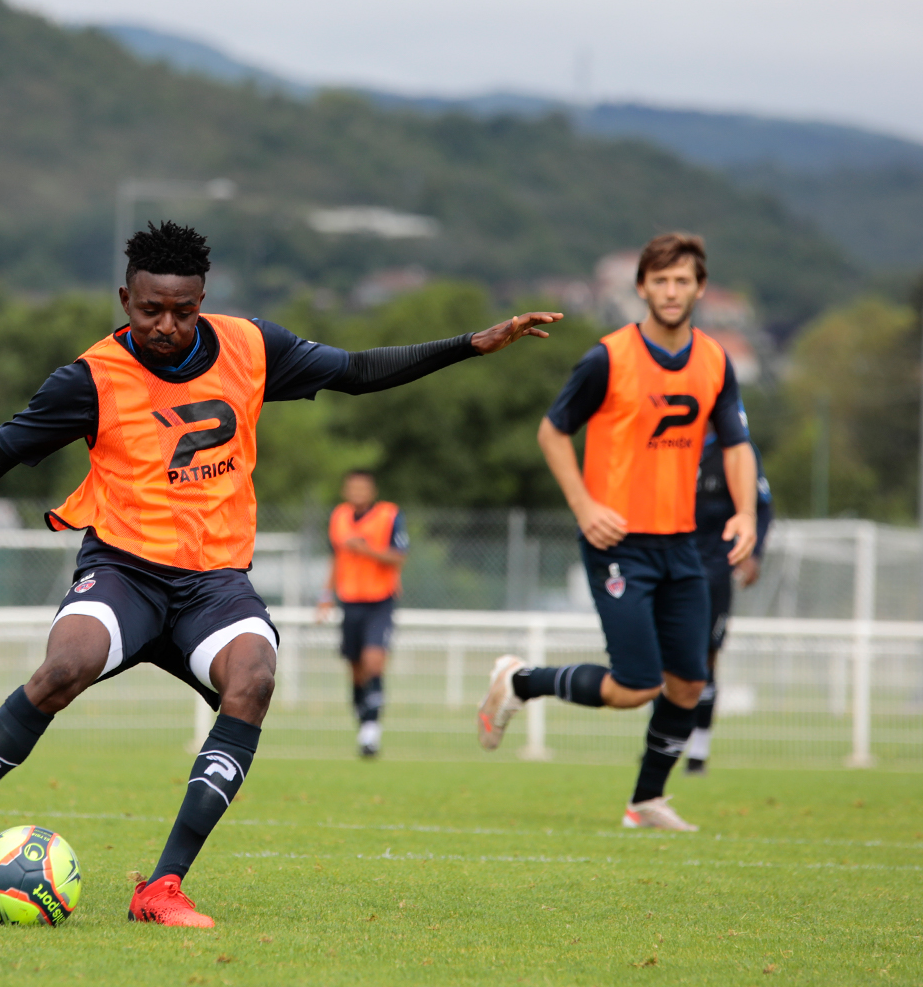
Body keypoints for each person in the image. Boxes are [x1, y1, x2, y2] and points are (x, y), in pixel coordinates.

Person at [0, 220, 560, 926]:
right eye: (151, 310)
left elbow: (357, 371)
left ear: (203, 300)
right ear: (125, 299)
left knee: (255, 681)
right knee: (61, 668)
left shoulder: (250, 347)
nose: (166, 326)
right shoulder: (88, 380)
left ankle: (163, 885)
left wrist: (471, 343)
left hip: (214, 587)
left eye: (183, 310)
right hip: (125, 574)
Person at [476, 232, 757, 832]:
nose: (672, 291)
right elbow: (553, 432)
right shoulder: (608, 357)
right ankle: (520, 681)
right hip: (618, 543)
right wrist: (584, 507)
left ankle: (645, 802)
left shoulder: (715, 359)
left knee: (689, 684)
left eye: (683, 280)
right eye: (661, 280)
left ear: (700, 288)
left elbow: (737, 445)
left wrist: (746, 513)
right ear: (641, 288)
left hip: (682, 543)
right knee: (637, 685)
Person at [686, 431, 773, 775]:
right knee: (665, 658)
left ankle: (697, 752)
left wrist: (753, 555)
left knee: (707, 658)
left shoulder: (735, 449)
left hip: (714, 572)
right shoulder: (667, 439)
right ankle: (661, 742)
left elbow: (762, 508)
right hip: (668, 565)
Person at [316, 470, 408, 757]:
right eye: (352, 487)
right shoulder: (339, 517)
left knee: (374, 661)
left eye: (363, 487)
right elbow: (336, 557)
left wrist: (367, 550)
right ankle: (363, 720)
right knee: (355, 668)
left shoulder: (389, 515)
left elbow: (399, 556)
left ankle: (371, 730)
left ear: (372, 490)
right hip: (350, 601)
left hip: (380, 600)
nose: (357, 492)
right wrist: (325, 595)